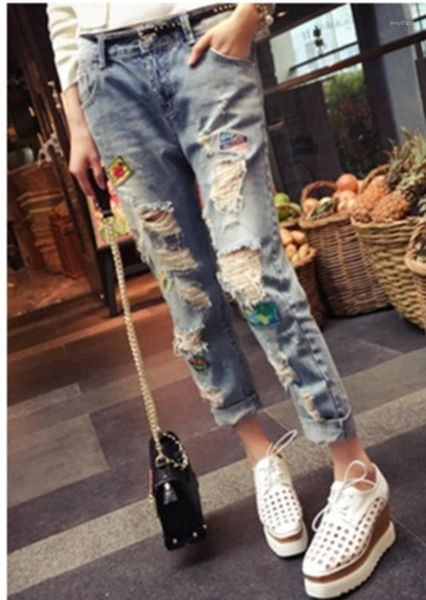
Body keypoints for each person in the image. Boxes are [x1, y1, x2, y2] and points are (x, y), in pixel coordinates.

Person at [47, 3, 395, 597]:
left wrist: (253, 11)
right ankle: (260, 454)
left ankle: (356, 472)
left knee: (250, 269)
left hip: (206, 42)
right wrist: (76, 116)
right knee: (187, 293)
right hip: (108, 78)